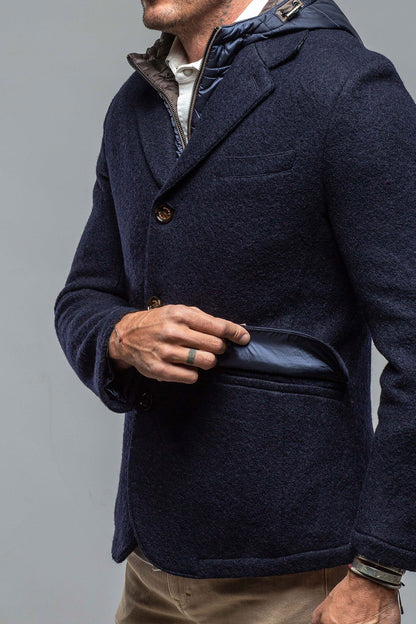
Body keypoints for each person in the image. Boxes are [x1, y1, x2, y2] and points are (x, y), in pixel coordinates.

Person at [54, 0, 416, 621]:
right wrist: (118, 333)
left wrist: (379, 568)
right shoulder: (132, 106)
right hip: (151, 565)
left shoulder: (349, 88)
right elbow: (83, 295)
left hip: (300, 575)